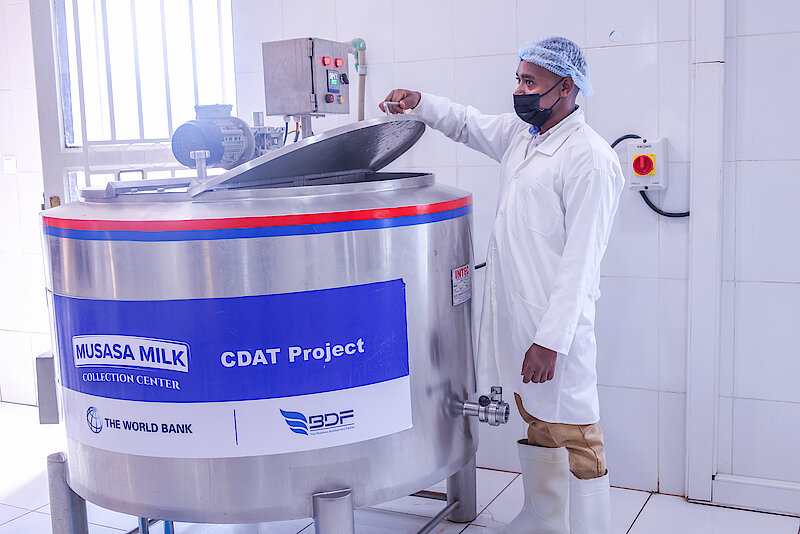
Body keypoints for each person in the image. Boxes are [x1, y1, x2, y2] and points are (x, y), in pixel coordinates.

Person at [381, 36, 624, 533]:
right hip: (520, 318)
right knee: (535, 417)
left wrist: (550, 340)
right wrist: (421, 102)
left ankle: (588, 527)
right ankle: (543, 517)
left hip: (554, 329)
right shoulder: (523, 136)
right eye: (518, 79)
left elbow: (581, 264)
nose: (519, 90)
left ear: (566, 87)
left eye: (530, 82)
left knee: (576, 432)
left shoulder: (590, 159)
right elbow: (467, 123)